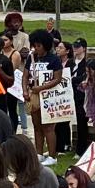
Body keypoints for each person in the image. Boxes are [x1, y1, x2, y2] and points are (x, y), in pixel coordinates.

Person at [26, 29, 64, 165]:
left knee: (48, 127)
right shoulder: (31, 58)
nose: (36, 49)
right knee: (37, 126)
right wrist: (25, 91)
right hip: (34, 96)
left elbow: (58, 78)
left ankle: (52, 156)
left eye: (39, 46)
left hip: (49, 97)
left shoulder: (54, 59)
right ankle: (39, 153)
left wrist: (41, 88)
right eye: (34, 46)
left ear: (46, 45)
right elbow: (25, 75)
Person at [69, 39, 90, 154]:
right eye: (74, 46)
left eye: (78, 47)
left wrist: (73, 80)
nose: (75, 49)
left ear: (84, 48)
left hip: (82, 95)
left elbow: (84, 78)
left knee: (82, 121)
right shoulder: (70, 62)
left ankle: (81, 149)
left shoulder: (87, 63)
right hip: (70, 94)